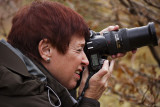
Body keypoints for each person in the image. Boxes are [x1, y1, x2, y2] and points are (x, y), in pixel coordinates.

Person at [0, 1, 135, 107]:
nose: (86, 61)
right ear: (46, 50)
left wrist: (95, 46)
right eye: (78, 50)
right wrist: (90, 100)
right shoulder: (24, 94)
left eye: (84, 49)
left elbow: (56, 88)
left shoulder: (17, 76)